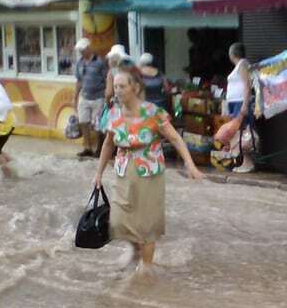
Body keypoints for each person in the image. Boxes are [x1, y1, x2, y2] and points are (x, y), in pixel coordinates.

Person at [92, 66, 203, 269]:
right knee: (119, 221)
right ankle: (134, 250)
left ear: (134, 87)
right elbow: (108, 144)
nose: (117, 90)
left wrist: (190, 165)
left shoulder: (153, 113)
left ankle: (146, 270)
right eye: (115, 86)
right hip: (124, 172)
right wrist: (98, 174)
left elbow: (175, 139)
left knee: (146, 226)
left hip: (150, 173)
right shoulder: (113, 114)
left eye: (122, 86)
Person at [223, 42, 256, 173]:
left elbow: (247, 85)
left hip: (240, 103)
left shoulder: (242, 65)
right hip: (235, 103)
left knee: (243, 132)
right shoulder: (240, 65)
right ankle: (244, 161)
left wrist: (244, 105)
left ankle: (248, 162)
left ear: (232, 54)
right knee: (238, 132)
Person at [73, 38, 107, 159]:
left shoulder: (99, 62)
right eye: (80, 50)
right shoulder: (79, 63)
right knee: (83, 122)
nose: (81, 52)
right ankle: (87, 147)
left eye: (82, 50)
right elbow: (78, 81)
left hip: (98, 97)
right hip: (84, 96)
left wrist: (107, 96)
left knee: (98, 125)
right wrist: (75, 98)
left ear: (88, 48)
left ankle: (100, 148)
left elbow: (106, 79)